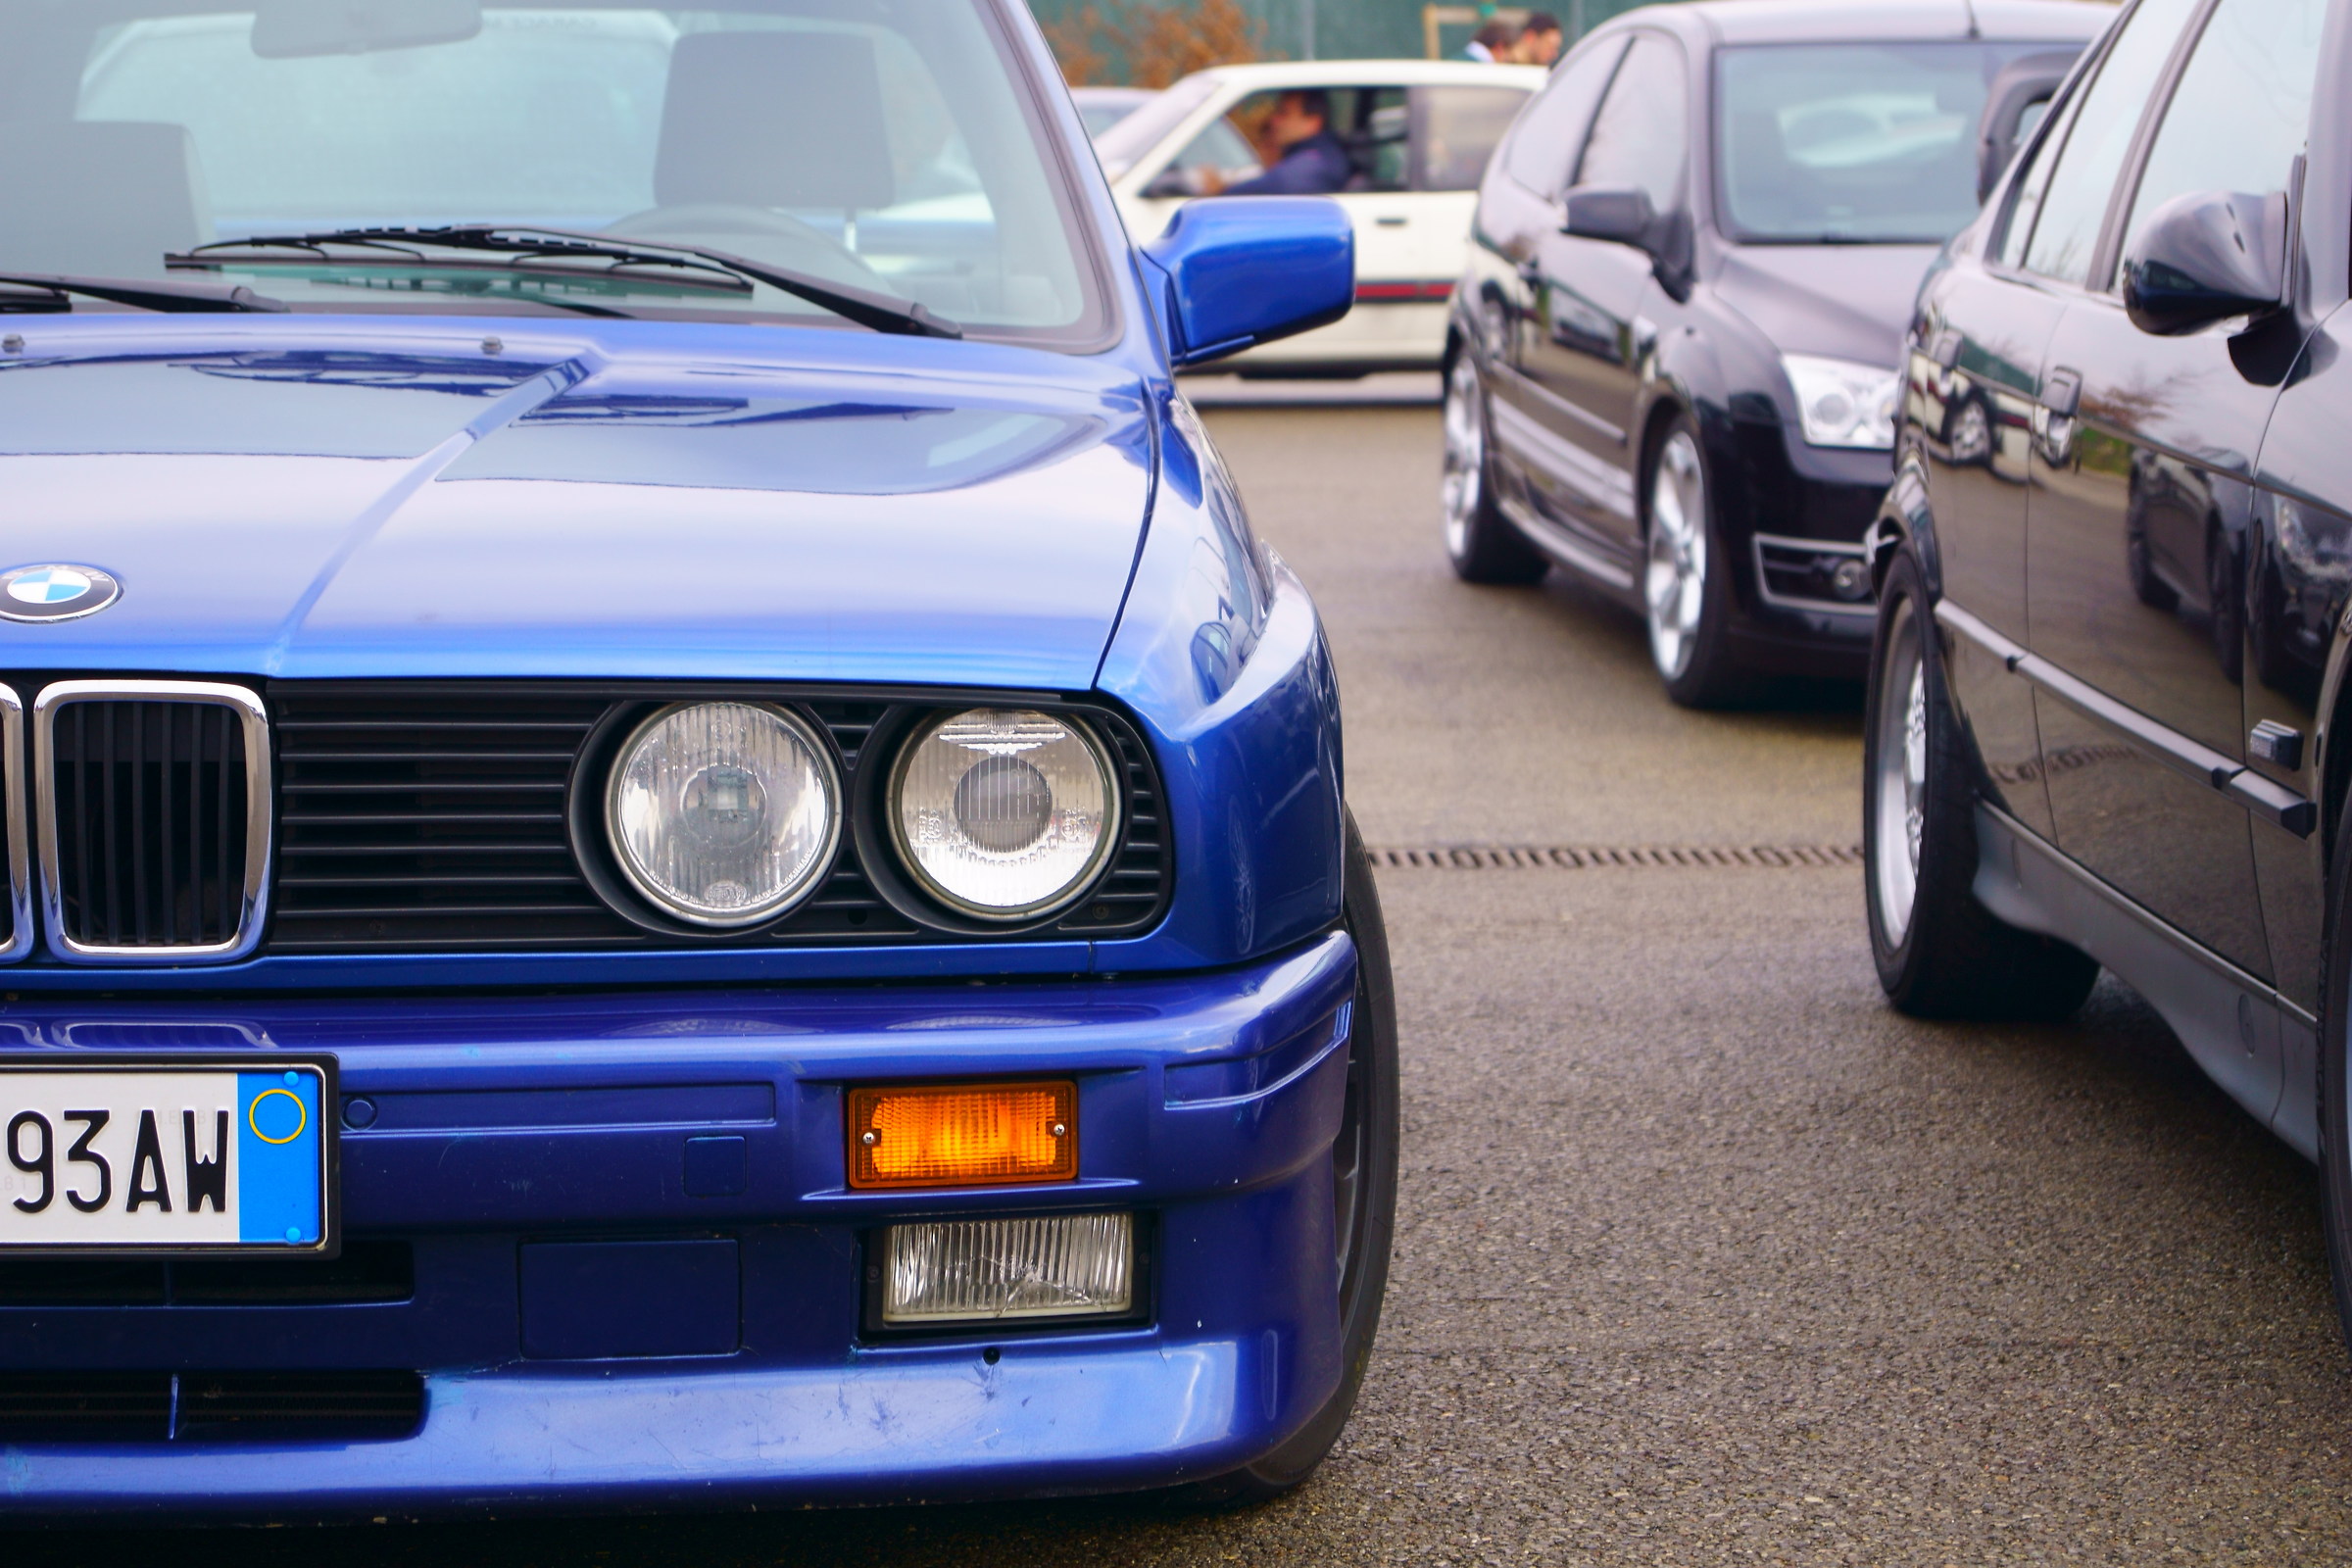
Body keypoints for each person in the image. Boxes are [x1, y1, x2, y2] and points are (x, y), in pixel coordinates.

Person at [1202, 90, 1349, 195]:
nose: (1274, 120)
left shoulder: (1317, 161)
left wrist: (1224, 192)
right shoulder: (1317, 154)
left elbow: (1282, 183)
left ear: (1312, 122)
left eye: (1284, 113)